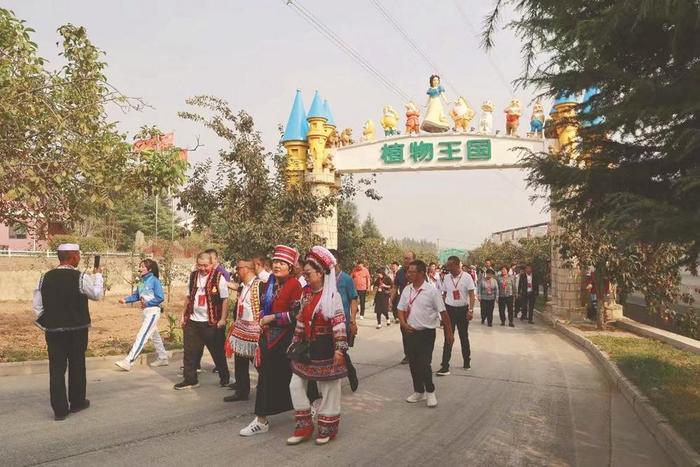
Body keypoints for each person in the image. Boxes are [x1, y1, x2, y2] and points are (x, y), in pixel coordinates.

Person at [32, 243, 103, 421]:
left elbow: (37, 307)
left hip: (54, 330)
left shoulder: (44, 277)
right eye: (78, 255)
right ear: (72, 256)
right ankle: (77, 402)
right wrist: (99, 276)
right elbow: (96, 294)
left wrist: (50, 320)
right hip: (77, 331)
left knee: (56, 369)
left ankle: (60, 410)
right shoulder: (80, 277)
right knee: (77, 364)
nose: (79, 258)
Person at [287, 246, 348, 445]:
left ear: (321, 273)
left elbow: (339, 325)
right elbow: (301, 322)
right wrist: (294, 342)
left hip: (326, 349)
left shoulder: (332, 296)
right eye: (304, 273)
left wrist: (340, 349)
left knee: (329, 389)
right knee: (295, 385)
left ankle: (327, 428)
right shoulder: (306, 296)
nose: (305, 276)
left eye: (308, 273)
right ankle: (304, 426)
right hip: (307, 349)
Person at [240, 245, 303, 437]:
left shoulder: (295, 285)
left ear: (290, 267)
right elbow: (264, 307)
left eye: (282, 262)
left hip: (288, 338)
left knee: (294, 375)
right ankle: (262, 419)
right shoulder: (269, 284)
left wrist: (274, 318)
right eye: (275, 261)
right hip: (268, 336)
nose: (277, 265)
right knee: (267, 376)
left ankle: (306, 407)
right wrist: (262, 319)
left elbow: (297, 313)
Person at [398, 260, 453, 408]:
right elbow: (401, 309)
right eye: (408, 272)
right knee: (414, 364)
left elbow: (443, 313)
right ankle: (418, 391)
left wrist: (449, 333)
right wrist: (403, 324)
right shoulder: (407, 290)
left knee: (424, 364)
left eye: (412, 272)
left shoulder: (431, 291)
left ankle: (430, 391)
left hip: (426, 333)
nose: (408, 274)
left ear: (421, 273)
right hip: (410, 332)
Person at [174, 252, 230, 390]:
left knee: (217, 353)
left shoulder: (218, 277)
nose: (203, 268)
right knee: (190, 352)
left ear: (212, 264)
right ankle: (190, 379)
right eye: (200, 265)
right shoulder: (193, 276)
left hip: (211, 322)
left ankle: (225, 378)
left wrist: (222, 319)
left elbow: (225, 300)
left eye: (206, 265)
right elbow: (188, 297)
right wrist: (183, 315)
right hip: (193, 320)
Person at [115, 259, 169, 371]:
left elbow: (160, 297)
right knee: (155, 335)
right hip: (145, 312)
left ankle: (128, 361)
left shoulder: (154, 281)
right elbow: (136, 296)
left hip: (153, 311)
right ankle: (163, 357)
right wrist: (125, 300)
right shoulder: (141, 282)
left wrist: (148, 303)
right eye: (140, 266)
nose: (139, 268)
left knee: (142, 336)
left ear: (150, 269)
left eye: (142, 266)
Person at [223, 259, 263, 402]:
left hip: (254, 330)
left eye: (238, 268)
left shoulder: (259, 285)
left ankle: (272, 387)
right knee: (240, 361)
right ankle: (242, 391)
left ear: (246, 269)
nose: (236, 271)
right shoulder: (243, 286)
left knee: (259, 363)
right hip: (241, 328)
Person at [436, 256, 476, 376]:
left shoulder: (467, 277)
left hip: (462, 310)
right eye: (447, 266)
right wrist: (442, 310)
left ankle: (466, 362)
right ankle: (444, 366)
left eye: (450, 266)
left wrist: (470, 310)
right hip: (449, 311)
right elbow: (444, 294)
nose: (448, 268)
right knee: (448, 337)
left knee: (464, 337)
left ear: (457, 265)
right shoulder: (447, 278)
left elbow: (471, 294)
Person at [328, 249, 359, 392]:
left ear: (337, 262)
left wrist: (353, 320)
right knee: (331, 350)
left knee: (341, 350)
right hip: (328, 322)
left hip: (343, 322)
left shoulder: (346, 279)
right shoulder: (325, 278)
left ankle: (350, 373)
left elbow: (353, 299)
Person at [391, 251, 416, 363]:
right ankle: (408, 354)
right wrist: (390, 300)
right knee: (404, 329)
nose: (406, 260)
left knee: (415, 331)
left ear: (413, 259)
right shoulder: (400, 272)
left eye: (408, 258)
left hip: (416, 306)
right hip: (403, 306)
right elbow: (395, 287)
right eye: (405, 258)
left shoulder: (418, 272)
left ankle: (416, 353)